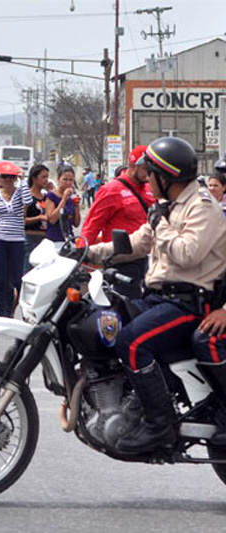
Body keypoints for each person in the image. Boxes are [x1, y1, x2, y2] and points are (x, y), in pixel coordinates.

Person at [86, 137, 226, 453]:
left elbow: (187, 254)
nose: (147, 179)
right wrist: (87, 252)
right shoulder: (167, 208)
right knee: (109, 323)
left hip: (188, 303)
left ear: (167, 176)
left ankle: (159, 424)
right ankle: (133, 401)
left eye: (151, 173)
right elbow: (133, 244)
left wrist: (160, 224)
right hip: (160, 297)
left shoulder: (201, 208)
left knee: (131, 342)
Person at [81, 145, 155, 298]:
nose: (150, 173)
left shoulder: (150, 188)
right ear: (135, 166)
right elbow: (92, 226)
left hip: (147, 259)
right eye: (147, 168)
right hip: (120, 261)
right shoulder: (111, 190)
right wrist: (82, 256)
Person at [0, 161, 32, 318]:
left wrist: (23, 179)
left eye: (11, 177)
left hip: (16, 241)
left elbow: (28, 201)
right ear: (0, 179)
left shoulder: (20, 193)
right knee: (1, 279)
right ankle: (3, 312)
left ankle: (15, 311)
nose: (7, 180)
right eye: (4, 177)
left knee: (17, 278)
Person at [44, 165, 81, 243]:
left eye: (71, 180)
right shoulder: (51, 196)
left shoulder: (72, 197)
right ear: (58, 179)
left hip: (69, 239)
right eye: (65, 179)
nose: (68, 182)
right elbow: (52, 220)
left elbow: (76, 223)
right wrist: (64, 199)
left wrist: (77, 206)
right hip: (54, 240)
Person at [23, 164, 50, 270]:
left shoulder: (47, 197)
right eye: (43, 177)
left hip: (45, 239)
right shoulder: (27, 196)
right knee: (27, 272)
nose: (46, 180)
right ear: (34, 178)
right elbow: (22, 220)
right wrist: (39, 218)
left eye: (47, 177)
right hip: (30, 239)